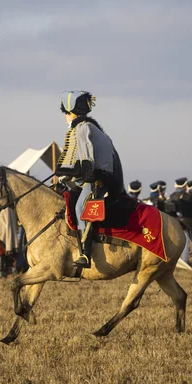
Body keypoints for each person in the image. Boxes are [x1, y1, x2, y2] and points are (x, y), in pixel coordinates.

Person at [55, 90, 125, 268]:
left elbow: (87, 160)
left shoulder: (82, 128)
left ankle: (85, 253)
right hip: (91, 178)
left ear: (71, 112)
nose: (64, 116)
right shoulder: (88, 127)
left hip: (97, 181)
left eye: (66, 112)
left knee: (80, 207)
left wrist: (79, 170)